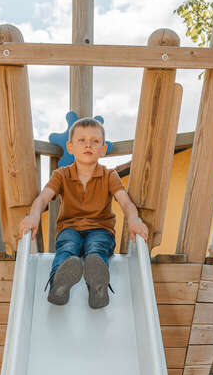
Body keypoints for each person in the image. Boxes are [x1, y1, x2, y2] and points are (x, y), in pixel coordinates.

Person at [18, 117, 148, 308]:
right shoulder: (61, 175)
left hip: (101, 229)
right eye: (82, 140)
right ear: (70, 147)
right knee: (68, 246)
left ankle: (97, 288)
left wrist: (134, 220)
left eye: (95, 141)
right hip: (70, 228)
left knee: (96, 249)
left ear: (103, 149)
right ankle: (59, 284)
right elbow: (43, 198)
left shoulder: (109, 175)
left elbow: (125, 203)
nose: (88, 145)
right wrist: (33, 216)